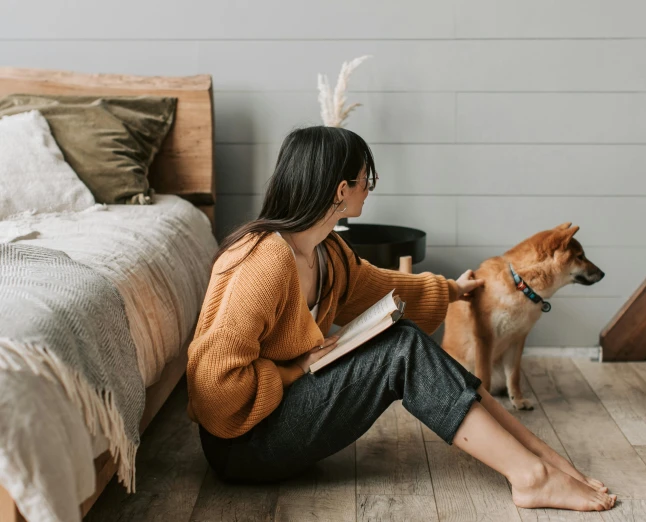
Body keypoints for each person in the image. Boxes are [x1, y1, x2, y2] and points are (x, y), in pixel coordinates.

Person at [186, 126, 616, 512]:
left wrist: (454, 289)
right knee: (401, 350)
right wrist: (296, 369)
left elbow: (384, 286)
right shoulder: (260, 262)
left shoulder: (326, 253)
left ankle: (540, 459)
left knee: (401, 333)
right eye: (365, 180)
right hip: (242, 445)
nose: (368, 190)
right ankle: (531, 478)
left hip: (277, 422)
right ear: (341, 190)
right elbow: (213, 392)